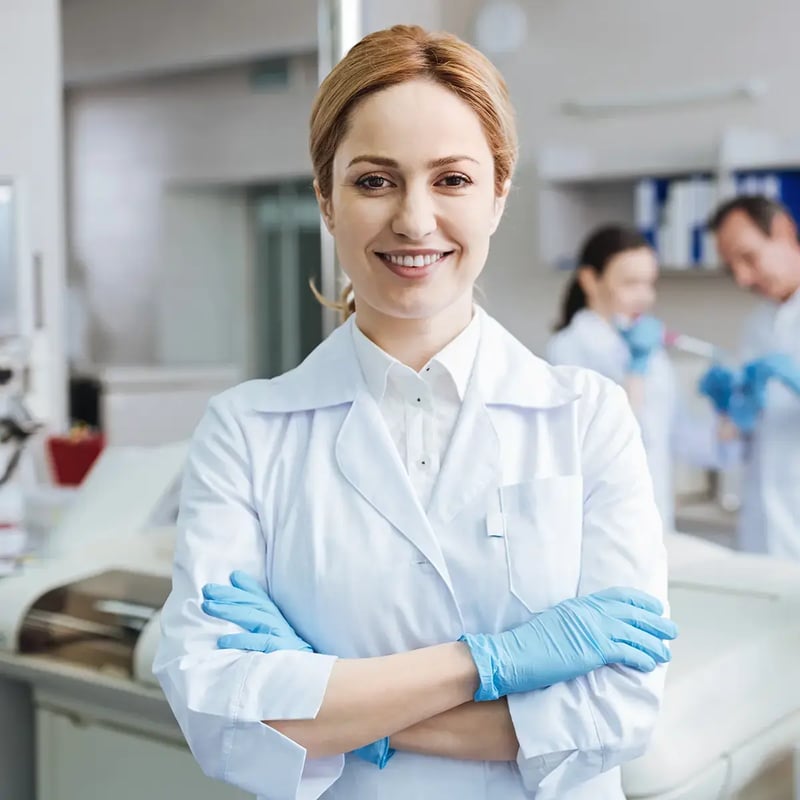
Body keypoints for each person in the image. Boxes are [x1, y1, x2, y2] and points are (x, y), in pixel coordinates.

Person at [153, 25, 677, 800]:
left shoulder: (585, 416)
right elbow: (217, 710)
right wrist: (492, 665)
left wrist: (325, 698)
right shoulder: (246, 430)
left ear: (499, 195)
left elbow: (615, 712)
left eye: (453, 180)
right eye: (374, 181)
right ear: (326, 201)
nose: (415, 219)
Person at [547, 225, 724, 531]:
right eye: (630, 283)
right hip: (603, 520)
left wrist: (729, 417)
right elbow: (605, 441)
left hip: (656, 517)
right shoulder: (568, 349)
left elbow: (677, 437)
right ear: (590, 280)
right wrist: (635, 371)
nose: (644, 296)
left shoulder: (649, 352)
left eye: (649, 283)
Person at [699, 195, 800, 558]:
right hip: (763, 531)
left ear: (784, 231)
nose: (742, 278)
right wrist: (730, 411)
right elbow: (740, 447)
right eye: (732, 267)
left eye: (748, 257)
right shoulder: (757, 326)